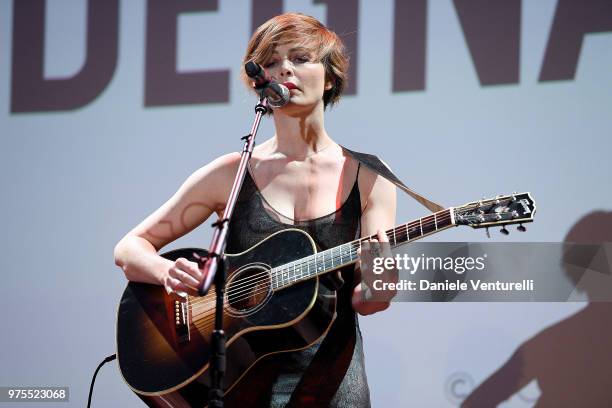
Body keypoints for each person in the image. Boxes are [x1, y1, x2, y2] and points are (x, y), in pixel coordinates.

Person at [114, 12, 396, 408]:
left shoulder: (368, 175)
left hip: (332, 380)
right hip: (240, 381)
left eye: (300, 58)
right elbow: (129, 249)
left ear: (330, 78)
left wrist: (382, 274)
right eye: (271, 63)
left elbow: (370, 302)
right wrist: (167, 271)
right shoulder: (232, 172)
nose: (284, 70)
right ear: (258, 81)